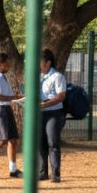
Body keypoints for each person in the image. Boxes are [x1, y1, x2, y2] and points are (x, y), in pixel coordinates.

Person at [38, 49, 67, 183]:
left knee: (52, 142)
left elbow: (61, 96)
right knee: (40, 142)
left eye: (40, 62)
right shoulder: (39, 77)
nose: (38, 65)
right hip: (40, 113)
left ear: (48, 63)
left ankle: (55, 174)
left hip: (54, 113)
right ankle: (42, 172)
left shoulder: (57, 77)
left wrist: (46, 104)